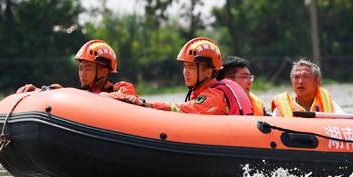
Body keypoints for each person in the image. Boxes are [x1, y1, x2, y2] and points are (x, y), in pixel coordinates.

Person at [107, 37, 253, 115]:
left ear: (208, 72)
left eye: (191, 67)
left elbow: (184, 109)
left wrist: (147, 104)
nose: (186, 72)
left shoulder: (214, 95)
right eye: (184, 67)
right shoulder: (204, 92)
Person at [16, 39, 137, 95]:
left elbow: (124, 96)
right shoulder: (80, 96)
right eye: (80, 68)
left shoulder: (123, 87)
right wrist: (40, 91)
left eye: (88, 68)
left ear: (103, 71)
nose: (82, 74)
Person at [270, 59, 344, 117]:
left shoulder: (331, 106)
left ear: (317, 81)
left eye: (306, 77)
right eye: (296, 77)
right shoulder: (281, 109)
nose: (300, 81)